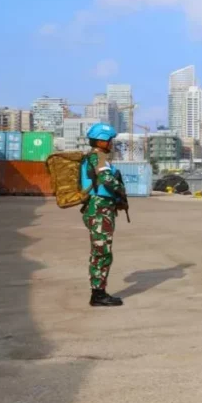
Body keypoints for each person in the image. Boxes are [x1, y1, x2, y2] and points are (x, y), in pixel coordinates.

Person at [80, 123, 128, 307]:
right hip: (100, 209)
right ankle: (98, 295)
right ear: (101, 140)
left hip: (99, 208)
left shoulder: (96, 157)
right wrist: (120, 192)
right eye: (109, 140)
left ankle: (98, 291)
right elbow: (107, 179)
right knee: (102, 252)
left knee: (100, 251)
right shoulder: (97, 156)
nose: (111, 143)